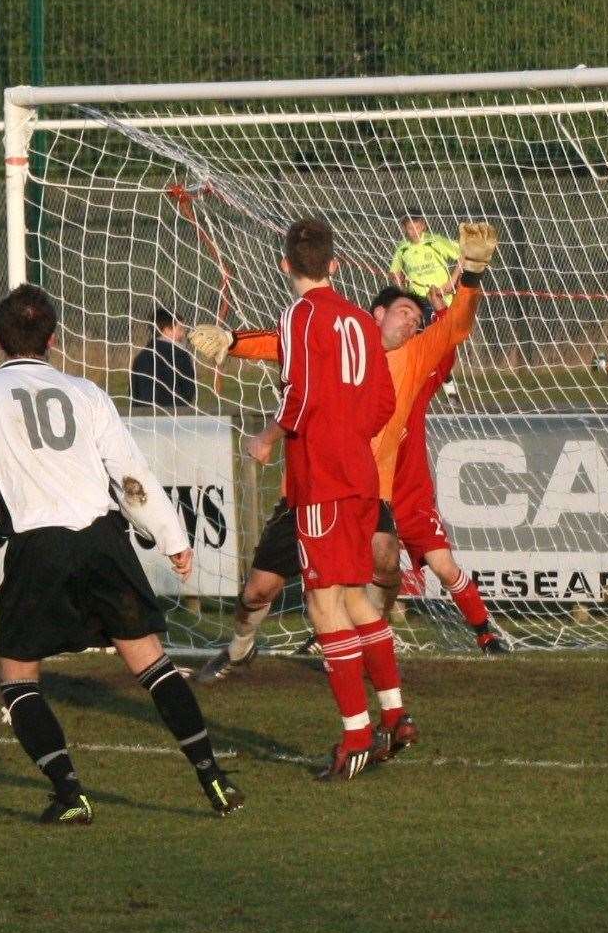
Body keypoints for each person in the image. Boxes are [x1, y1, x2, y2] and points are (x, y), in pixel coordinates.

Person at [0, 285, 242, 825]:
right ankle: (213, 777)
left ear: (0, 341)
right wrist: (173, 538)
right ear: (52, 338)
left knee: (19, 680)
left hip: (37, 547)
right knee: (153, 665)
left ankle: (70, 794)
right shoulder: (86, 392)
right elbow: (129, 473)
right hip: (102, 542)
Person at [189, 223, 507, 698]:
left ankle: (373, 675)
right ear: (376, 314)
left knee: (382, 563)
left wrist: (474, 274)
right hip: (308, 489)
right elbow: (282, 343)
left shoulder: (417, 354)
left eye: (417, 320)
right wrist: (232, 342)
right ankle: (241, 645)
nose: (411, 324)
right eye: (403, 314)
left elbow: (457, 323)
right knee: (258, 591)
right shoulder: (343, 332)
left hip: (362, 490)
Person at [244, 217, 396, 781]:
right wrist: (350, 431)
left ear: (286, 265)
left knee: (322, 606)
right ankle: (396, 713)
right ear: (334, 264)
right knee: (356, 599)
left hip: (323, 480)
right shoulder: (360, 317)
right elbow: (382, 402)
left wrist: (268, 435)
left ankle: (356, 732)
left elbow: (300, 391)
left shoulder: (300, 315)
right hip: (359, 476)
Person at [389, 213, 463, 399]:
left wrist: (453, 280)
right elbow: (394, 271)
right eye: (408, 227)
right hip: (418, 301)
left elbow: (463, 257)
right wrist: (402, 290)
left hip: (439, 301)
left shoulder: (435, 242)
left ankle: (444, 378)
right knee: (417, 342)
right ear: (404, 229)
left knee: (440, 345)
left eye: (416, 226)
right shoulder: (403, 249)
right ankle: (428, 382)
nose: (412, 230)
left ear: (423, 226)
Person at [128, 305, 196, 410]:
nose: (183, 334)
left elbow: (134, 392)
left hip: (144, 418)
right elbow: (189, 391)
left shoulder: (142, 356)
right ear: (167, 330)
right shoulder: (181, 356)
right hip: (175, 417)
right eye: (181, 329)